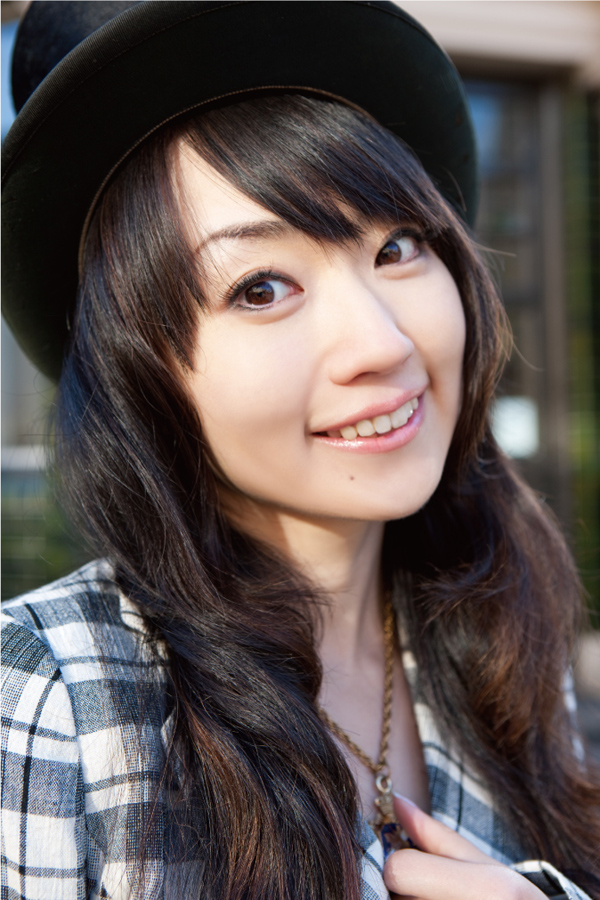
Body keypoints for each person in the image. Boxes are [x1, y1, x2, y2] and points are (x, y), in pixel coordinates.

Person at [2, 3, 599, 899]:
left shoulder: (501, 638)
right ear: (140, 371)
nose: (383, 343)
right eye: (261, 288)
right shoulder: (52, 697)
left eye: (397, 245)